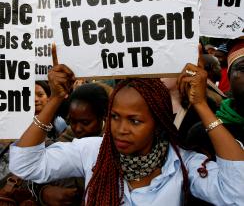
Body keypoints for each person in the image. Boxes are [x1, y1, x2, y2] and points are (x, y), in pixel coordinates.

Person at [9, 48, 244, 206]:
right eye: (114, 116)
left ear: (159, 123)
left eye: (135, 121)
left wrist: (201, 105)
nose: (120, 129)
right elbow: (26, 165)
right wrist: (55, 99)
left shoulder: (182, 163)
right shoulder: (92, 150)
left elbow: (236, 192)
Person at [38, 82, 109, 205]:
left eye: (85, 122)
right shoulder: (67, 138)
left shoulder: (116, 142)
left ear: (103, 117)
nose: (77, 129)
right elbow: (35, 170)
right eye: (72, 121)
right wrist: (44, 192)